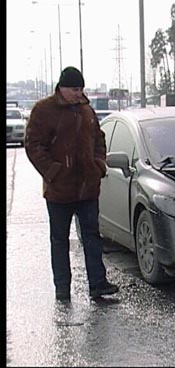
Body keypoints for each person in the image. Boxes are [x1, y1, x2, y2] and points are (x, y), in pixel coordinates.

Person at [25, 66, 119, 302]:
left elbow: (99, 139)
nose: (79, 93)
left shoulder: (86, 110)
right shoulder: (44, 110)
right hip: (59, 190)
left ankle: (98, 284)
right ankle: (62, 290)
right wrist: (52, 171)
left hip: (87, 187)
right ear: (62, 88)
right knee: (59, 241)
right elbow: (33, 145)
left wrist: (98, 165)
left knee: (92, 237)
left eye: (81, 89)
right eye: (75, 89)